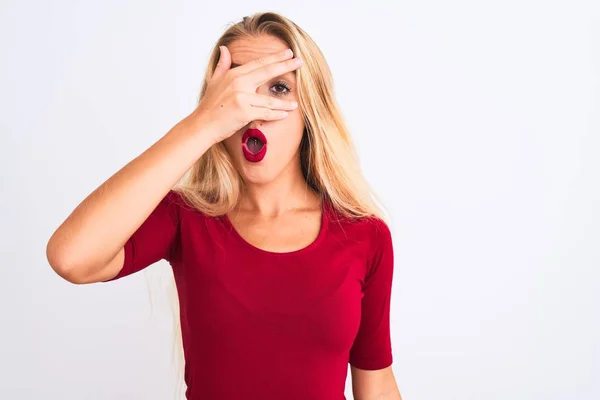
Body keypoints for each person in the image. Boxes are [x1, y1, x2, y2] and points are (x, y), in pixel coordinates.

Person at [46, 11, 402, 400]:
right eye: (236, 91)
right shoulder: (186, 218)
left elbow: (376, 381)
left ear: (310, 111)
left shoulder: (365, 236)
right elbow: (71, 257)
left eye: (278, 88)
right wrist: (200, 125)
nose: (252, 109)